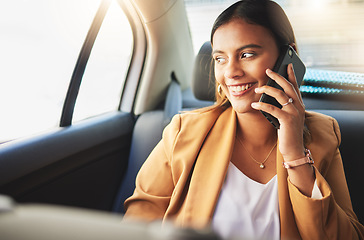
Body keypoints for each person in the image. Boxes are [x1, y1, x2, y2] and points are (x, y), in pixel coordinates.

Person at [124, 0, 364, 239]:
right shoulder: (182, 132)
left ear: (287, 58)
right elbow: (135, 228)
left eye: (247, 54)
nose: (230, 72)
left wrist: (296, 156)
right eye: (220, 59)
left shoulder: (324, 134)